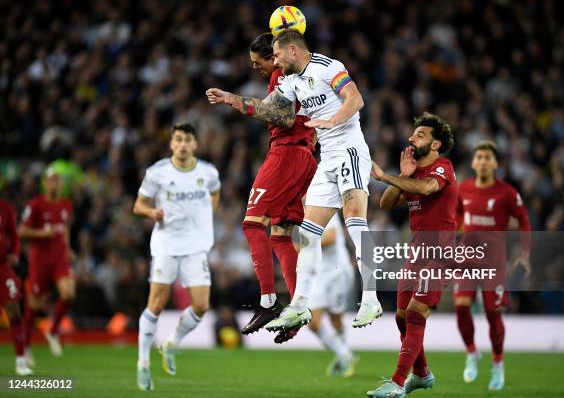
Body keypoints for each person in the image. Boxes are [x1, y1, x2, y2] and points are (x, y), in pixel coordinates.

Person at [206, 29, 382, 332]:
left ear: (292, 50)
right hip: (325, 157)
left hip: (349, 149)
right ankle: (299, 305)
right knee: (308, 235)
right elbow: (270, 109)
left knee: (355, 221)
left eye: (276, 55)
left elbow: (356, 99)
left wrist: (331, 120)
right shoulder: (290, 81)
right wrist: (230, 99)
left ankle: (370, 298)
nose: (274, 61)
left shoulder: (329, 67)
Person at [229, 32, 317, 339]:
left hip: (287, 154)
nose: (258, 68)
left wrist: (236, 101)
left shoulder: (282, 74)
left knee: (253, 224)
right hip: (306, 156)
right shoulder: (308, 74)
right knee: (280, 236)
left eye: (259, 62)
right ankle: (295, 310)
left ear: (275, 55)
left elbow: (283, 116)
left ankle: (268, 302)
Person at [367, 112, 456, 397]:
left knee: (417, 312)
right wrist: (402, 177)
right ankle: (422, 374)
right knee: (402, 317)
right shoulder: (413, 175)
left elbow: (428, 188)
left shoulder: (443, 168)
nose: (411, 138)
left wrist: (384, 175)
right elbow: (385, 203)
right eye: (412, 134)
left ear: (436, 144)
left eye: (420, 135)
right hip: (415, 253)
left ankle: (396, 383)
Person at [133, 122, 221, 391]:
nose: (183, 144)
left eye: (188, 140)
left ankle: (171, 343)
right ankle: (143, 364)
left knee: (201, 305)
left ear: (195, 144)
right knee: (156, 304)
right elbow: (138, 205)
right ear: (172, 143)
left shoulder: (208, 172)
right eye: (178, 139)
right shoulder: (157, 172)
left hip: (196, 246)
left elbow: (215, 194)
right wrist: (152, 214)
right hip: (167, 245)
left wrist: (204, 219)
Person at [454, 140, 531, 391]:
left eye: (488, 157)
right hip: (466, 261)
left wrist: (525, 252)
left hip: (494, 265)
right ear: (474, 162)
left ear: (496, 163)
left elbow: (524, 220)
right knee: (461, 306)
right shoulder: (463, 189)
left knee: (492, 314)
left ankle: (498, 364)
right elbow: (454, 217)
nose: (484, 161)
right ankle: (472, 352)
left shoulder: (507, 193)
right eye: (480, 157)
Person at [19, 167, 75, 364]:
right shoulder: (35, 205)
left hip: (59, 258)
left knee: (68, 294)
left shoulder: (66, 205)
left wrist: (68, 249)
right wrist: (42, 233)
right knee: (34, 303)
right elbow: (22, 231)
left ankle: (52, 331)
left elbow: (65, 228)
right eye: (51, 180)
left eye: (57, 180)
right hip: (40, 259)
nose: (54, 184)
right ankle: (25, 346)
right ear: (44, 183)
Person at [308, 213, 358, 377]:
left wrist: (304, 247)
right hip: (317, 274)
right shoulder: (295, 214)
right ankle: (346, 355)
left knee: (335, 319)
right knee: (313, 323)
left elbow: (331, 237)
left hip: (338, 271)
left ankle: (343, 357)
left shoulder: (323, 206)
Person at [0, 198, 32, 376]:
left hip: (2, 267)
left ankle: (21, 362)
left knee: (14, 310)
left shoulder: (5, 207)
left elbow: (13, 234)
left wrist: (15, 253)